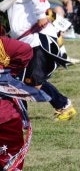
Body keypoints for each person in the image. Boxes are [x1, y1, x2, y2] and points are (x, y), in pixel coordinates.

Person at [0, 0, 77, 121]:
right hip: (25, 42)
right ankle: (60, 105)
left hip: (37, 39)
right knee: (21, 80)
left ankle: (61, 106)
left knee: (26, 81)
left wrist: (41, 14)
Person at [0, 36, 50, 170]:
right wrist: (7, 74)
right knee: (9, 161)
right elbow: (25, 51)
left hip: (5, 116)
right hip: (5, 116)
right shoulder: (2, 45)